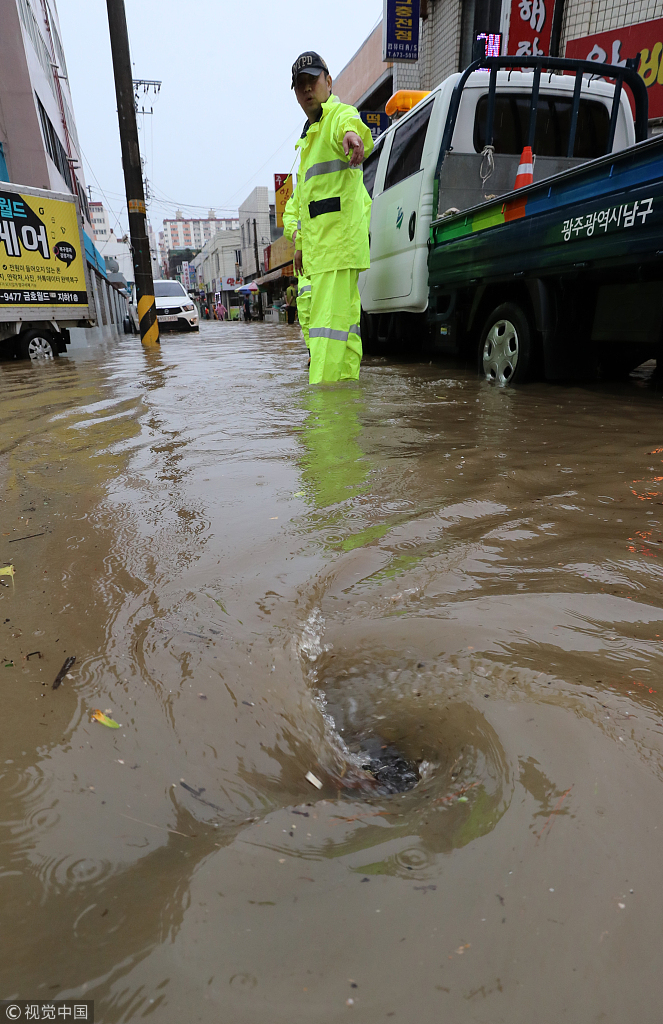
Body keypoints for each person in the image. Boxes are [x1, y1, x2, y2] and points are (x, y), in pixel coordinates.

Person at [291, 50, 373, 384]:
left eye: (313, 81)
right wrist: (299, 245)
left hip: (336, 249)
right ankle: (346, 403)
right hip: (324, 253)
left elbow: (349, 123)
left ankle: (325, 421)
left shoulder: (335, 117)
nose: (307, 89)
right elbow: (303, 203)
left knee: (327, 337)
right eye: (300, 85)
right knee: (341, 334)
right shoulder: (308, 141)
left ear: (328, 81)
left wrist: (351, 135)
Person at [283, 187, 311, 353]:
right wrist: (297, 238)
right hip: (311, 259)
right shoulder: (304, 182)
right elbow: (290, 216)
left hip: (335, 258)